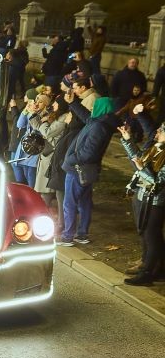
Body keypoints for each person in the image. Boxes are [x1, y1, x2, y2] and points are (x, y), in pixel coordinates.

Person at [58, 95, 117, 246]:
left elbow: (88, 153)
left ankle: (68, 236)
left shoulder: (98, 127)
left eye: (95, 106)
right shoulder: (99, 122)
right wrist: (73, 102)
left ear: (101, 109)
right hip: (86, 171)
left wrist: (70, 159)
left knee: (69, 203)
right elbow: (85, 116)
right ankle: (82, 235)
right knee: (84, 203)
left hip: (77, 169)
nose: (92, 108)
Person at [119, 122, 165, 286]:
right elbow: (138, 158)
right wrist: (128, 140)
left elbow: (157, 183)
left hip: (156, 202)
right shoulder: (156, 148)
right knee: (150, 235)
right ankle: (158, 270)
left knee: (151, 236)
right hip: (144, 197)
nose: (157, 131)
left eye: (162, 130)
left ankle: (147, 274)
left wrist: (141, 169)